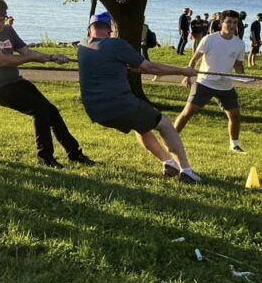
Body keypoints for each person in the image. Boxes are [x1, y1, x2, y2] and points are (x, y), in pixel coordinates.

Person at [78, 11, 203, 183]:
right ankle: (186, 171)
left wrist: (128, 67)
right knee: (164, 123)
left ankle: (169, 163)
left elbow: (105, 64)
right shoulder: (116, 45)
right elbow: (152, 68)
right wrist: (183, 71)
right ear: (110, 29)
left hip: (94, 109)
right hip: (118, 104)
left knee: (141, 126)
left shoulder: (83, 45)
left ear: (89, 28)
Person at [0, 0, 94, 169]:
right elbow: (2, 60)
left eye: (3, 20)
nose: (0, 24)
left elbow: (26, 51)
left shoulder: (8, 31)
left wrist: (52, 57)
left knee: (51, 110)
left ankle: (74, 154)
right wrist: (30, 58)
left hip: (15, 82)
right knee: (39, 109)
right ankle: (45, 159)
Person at [174, 10, 247, 153]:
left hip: (225, 85)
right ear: (221, 22)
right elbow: (195, 59)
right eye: (229, 22)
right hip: (205, 83)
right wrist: (187, 76)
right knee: (188, 112)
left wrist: (243, 76)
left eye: (235, 22)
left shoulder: (239, 44)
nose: (232, 25)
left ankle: (234, 145)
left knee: (235, 115)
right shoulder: (210, 39)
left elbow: (238, 65)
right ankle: (172, 138)